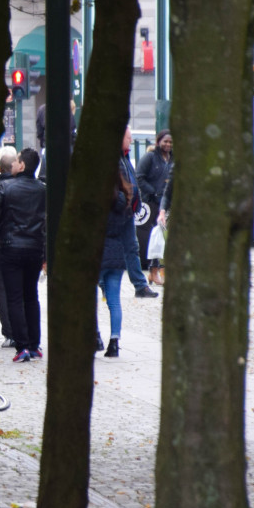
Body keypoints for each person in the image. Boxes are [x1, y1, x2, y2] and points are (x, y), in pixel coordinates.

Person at [0, 148, 47, 362]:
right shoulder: (43, 190)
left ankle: (21, 345)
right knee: (31, 296)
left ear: (22, 165)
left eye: (16, 161)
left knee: (14, 297)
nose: (13, 164)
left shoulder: (6, 188)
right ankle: (34, 344)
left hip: (10, 248)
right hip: (34, 249)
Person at [99, 145, 139, 358]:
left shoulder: (98, 201)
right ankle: (114, 341)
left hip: (98, 254)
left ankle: (95, 335)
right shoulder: (125, 198)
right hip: (117, 254)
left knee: (92, 299)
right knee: (114, 301)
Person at [117, 127, 158, 298]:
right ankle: (105, 283)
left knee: (132, 247)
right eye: (129, 138)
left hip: (127, 211)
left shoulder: (125, 157)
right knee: (113, 248)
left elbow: (132, 181)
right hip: (117, 211)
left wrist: (136, 203)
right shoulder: (116, 158)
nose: (131, 141)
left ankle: (140, 286)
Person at [0, 148, 19, 348]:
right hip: (20, 245)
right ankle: (21, 331)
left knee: (1, 290)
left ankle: (9, 333)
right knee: (19, 290)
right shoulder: (24, 187)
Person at [135, 130, 172, 286]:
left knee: (163, 237)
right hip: (150, 203)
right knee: (154, 237)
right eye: (165, 141)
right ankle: (153, 270)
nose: (168, 144)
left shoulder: (172, 159)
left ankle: (159, 270)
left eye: (170, 142)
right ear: (158, 142)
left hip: (166, 202)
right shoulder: (150, 157)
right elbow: (139, 177)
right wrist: (153, 191)